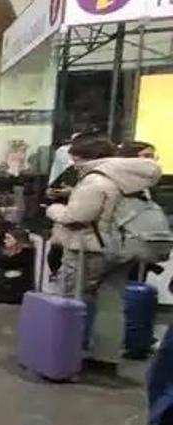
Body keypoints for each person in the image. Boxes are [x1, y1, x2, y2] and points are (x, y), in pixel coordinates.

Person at [47, 135, 162, 366]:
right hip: (121, 249)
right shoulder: (132, 180)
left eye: (76, 160)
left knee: (72, 300)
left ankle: (66, 354)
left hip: (88, 249)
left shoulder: (96, 180)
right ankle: (106, 357)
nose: (74, 165)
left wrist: (55, 209)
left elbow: (77, 217)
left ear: (90, 158)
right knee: (112, 305)